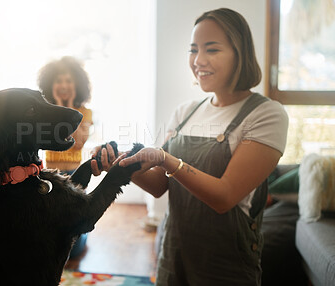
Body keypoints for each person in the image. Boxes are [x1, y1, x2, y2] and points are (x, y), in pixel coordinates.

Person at [90, 8, 289, 286]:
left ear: (239, 53)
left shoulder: (267, 115)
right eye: (193, 49)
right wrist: (121, 166)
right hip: (174, 254)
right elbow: (160, 185)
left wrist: (166, 159)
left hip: (226, 264)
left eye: (212, 49)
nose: (198, 60)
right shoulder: (186, 112)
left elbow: (225, 196)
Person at [38, 56, 93, 258]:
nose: (63, 85)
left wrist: (66, 107)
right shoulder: (45, 112)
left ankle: (83, 238)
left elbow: (77, 141)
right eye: (59, 81)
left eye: (69, 81)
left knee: (72, 230)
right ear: (50, 84)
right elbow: (48, 139)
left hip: (75, 173)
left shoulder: (85, 112)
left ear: (77, 84)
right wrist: (59, 107)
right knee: (50, 218)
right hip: (49, 173)